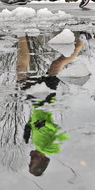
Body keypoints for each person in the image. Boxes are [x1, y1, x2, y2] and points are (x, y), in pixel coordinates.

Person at [17, 33, 89, 176]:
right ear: (41, 161)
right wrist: (45, 124)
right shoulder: (50, 149)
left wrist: (29, 126)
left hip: (36, 102)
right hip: (45, 100)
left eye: (29, 163)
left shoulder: (38, 145)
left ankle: (21, 35)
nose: (30, 161)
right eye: (32, 164)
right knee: (50, 67)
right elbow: (61, 134)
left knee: (54, 66)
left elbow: (37, 120)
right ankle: (81, 41)